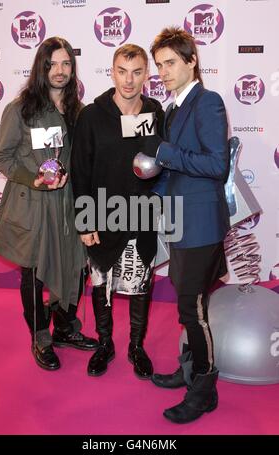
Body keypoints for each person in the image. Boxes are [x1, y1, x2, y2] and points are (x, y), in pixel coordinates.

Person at [0, 37, 98, 371]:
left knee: (73, 266)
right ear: (41, 67)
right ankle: (40, 337)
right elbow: (2, 157)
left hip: (68, 205)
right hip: (34, 205)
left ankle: (66, 329)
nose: (60, 70)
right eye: (52, 63)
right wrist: (32, 178)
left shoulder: (78, 111)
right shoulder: (21, 109)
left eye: (66, 63)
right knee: (36, 272)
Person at [149, 27, 230, 423]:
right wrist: (153, 196)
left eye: (170, 63)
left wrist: (167, 153)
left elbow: (217, 165)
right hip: (179, 221)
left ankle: (205, 390)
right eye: (159, 65)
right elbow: (170, 169)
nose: (162, 72)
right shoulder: (173, 108)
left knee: (192, 308)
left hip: (202, 223)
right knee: (187, 306)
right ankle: (189, 369)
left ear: (191, 61)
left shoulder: (208, 102)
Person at [71, 44, 164, 379]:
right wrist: (85, 221)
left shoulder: (155, 112)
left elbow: (162, 165)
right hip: (102, 218)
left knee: (141, 286)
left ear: (146, 74)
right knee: (101, 286)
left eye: (137, 71)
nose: (129, 80)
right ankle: (105, 343)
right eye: (123, 71)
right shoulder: (92, 116)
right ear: (112, 71)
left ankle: (136, 347)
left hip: (141, 216)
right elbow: (80, 171)